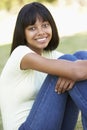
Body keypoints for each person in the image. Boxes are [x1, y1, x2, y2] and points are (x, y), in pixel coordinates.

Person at [0, 2, 87, 130]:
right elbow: (77, 71)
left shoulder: (50, 55)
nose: (41, 32)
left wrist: (73, 72)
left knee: (80, 56)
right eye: (32, 28)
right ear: (23, 33)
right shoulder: (21, 54)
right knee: (70, 64)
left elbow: (79, 67)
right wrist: (73, 72)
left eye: (45, 25)